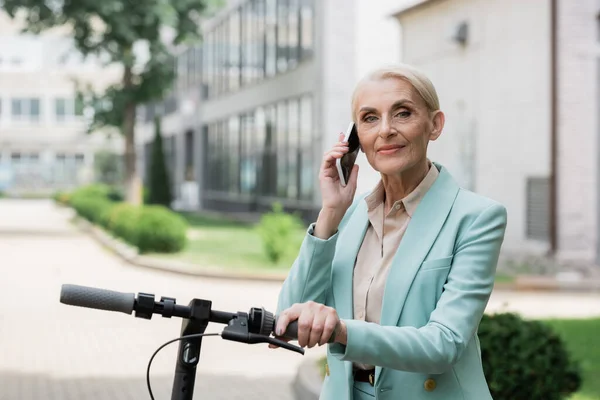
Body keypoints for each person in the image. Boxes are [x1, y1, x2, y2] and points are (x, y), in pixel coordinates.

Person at [272, 64, 508, 400]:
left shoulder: (476, 218)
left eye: (402, 113)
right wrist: (330, 213)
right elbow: (288, 316)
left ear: (435, 125)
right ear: (357, 140)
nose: (385, 130)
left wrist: (341, 330)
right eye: (369, 118)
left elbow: (443, 344)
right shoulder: (351, 217)